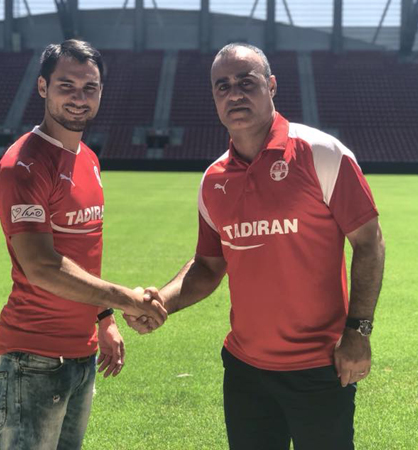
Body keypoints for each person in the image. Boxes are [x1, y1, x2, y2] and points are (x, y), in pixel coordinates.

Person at [125, 43, 385, 450]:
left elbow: (369, 244)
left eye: (246, 83)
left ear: (271, 86)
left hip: (320, 366)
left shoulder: (321, 154)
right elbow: (208, 265)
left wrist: (358, 332)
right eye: (223, 86)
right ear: (214, 97)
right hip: (245, 371)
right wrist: (162, 303)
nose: (235, 94)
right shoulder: (213, 180)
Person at [0, 40, 167, 450]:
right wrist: (127, 299)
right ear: (42, 87)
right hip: (32, 357)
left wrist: (104, 318)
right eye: (66, 86)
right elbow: (42, 266)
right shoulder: (24, 166)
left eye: (90, 88)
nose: (78, 98)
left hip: (81, 355)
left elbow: (82, 255)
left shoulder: (88, 158)